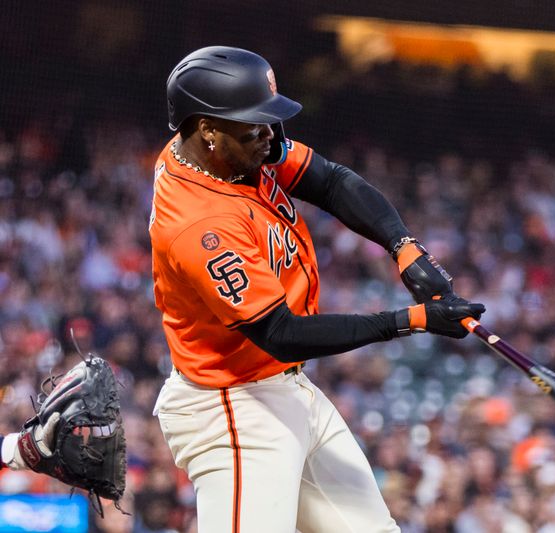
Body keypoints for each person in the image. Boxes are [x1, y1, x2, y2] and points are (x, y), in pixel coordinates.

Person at [150, 46, 485, 533]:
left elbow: (330, 182)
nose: (270, 136)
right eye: (254, 126)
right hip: (233, 408)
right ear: (207, 129)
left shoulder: (228, 153)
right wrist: (411, 321)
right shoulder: (200, 225)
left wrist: (405, 248)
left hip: (284, 387)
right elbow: (281, 332)